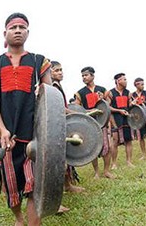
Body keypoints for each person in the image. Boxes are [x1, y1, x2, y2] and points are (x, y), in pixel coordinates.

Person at [0, 12, 52, 226]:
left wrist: (43, 89)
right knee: (11, 186)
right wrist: (2, 129)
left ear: (28, 32)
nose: (18, 30)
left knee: (34, 185)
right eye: (14, 28)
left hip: (33, 135)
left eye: (22, 27)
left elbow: (50, 98)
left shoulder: (39, 61)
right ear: (5, 33)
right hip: (7, 138)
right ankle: (19, 219)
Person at [50, 61, 85, 214]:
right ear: (49, 72)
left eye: (61, 70)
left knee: (65, 159)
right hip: (54, 128)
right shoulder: (52, 87)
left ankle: (67, 185)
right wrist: (76, 114)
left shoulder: (57, 85)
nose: (60, 73)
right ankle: (53, 201)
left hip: (62, 126)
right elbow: (58, 109)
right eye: (56, 70)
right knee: (57, 165)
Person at [74, 66, 115, 179]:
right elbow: (77, 108)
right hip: (90, 122)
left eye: (86, 75)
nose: (84, 77)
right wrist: (89, 111)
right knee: (92, 147)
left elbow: (109, 102)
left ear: (92, 76)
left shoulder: (102, 89)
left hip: (102, 121)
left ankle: (106, 171)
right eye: (82, 76)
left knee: (108, 146)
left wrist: (103, 99)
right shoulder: (80, 92)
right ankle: (96, 172)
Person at [108, 73, 134, 169]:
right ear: (118, 81)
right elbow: (108, 107)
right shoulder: (110, 93)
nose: (126, 81)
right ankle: (114, 163)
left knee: (129, 141)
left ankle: (129, 161)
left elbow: (129, 105)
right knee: (115, 142)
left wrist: (133, 103)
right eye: (124, 79)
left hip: (127, 120)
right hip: (116, 120)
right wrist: (119, 110)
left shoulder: (128, 93)